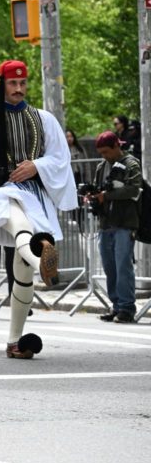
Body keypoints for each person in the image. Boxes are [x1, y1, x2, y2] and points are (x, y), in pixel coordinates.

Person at [0, 60, 77, 359]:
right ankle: (42, 260)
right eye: (13, 83)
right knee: (20, 223)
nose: (19, 89)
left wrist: (37, 165)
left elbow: (60, 159)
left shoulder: (44, 119)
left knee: (20, 272)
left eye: (23, 83)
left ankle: (15, 340)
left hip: (34, 194)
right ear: (2, 84)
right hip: (0, 192)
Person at [86, 131, 142, 323]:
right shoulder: (102, 166)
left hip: (125, 222)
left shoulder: (131, 164)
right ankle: (116, 305)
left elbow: (134, 189)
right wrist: (92, 195)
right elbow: (98, 188)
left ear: (117, 146)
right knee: (109, 267)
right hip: (106, 222)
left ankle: (127, 308)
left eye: (106, 151)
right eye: (101, 152)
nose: (104, 156)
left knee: (123, 266)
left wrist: (106, 196)